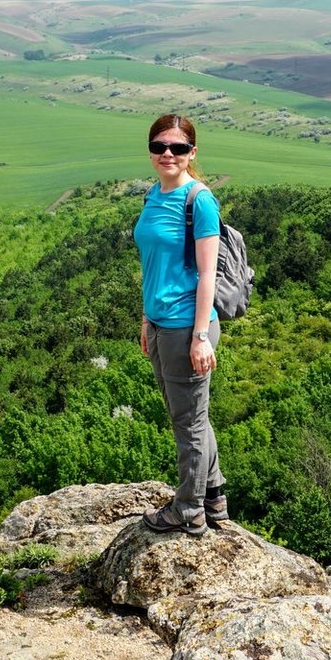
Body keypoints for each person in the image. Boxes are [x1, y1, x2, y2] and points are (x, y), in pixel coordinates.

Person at [135, 113, 228, 535]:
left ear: (192, 152)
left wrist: (200, 337)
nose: (167, 154)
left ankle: (189, 511)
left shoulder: (199, 200)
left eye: (177, 147)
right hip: (160, 324)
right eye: (159, 147)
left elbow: (208, 274)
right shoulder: (153, 195)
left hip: (187, 327)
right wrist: (146, 319)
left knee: (187, 422)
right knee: (192, 415)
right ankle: (214, 496)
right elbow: (153, 265)